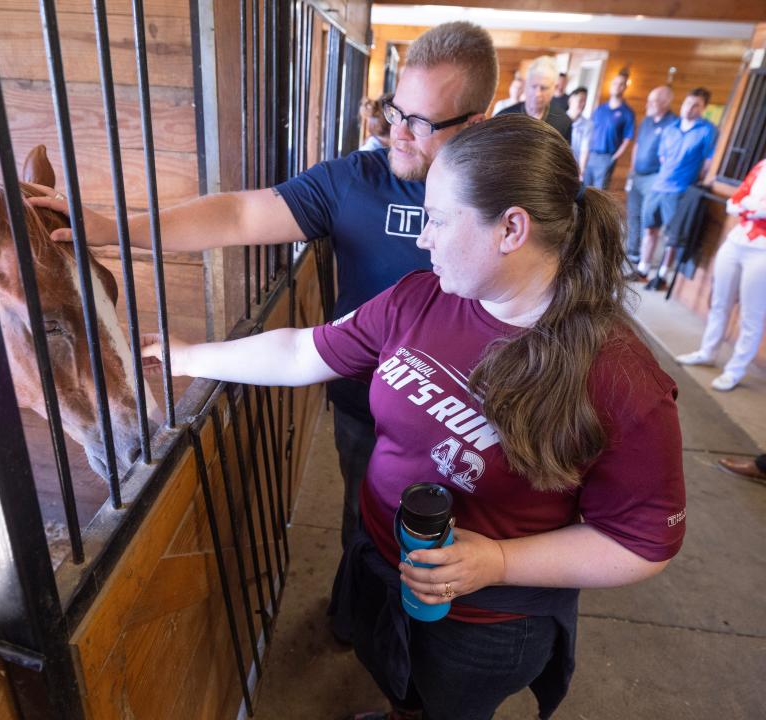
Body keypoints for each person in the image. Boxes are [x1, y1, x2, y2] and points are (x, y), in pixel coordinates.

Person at [141, 115, 685, 720]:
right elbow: (304, 350)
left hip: (489, 616)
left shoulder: (622, 380)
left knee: (448, 706)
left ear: (511, 228)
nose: (422, 239)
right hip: (383, 555)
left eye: (437, 219)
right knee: (397, 682)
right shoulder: (421, 296)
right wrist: (189, 356)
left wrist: (499, 562)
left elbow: (641, 542)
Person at [30, 21, 500, 550]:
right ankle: (355, 613)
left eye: (420, 121)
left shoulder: (512, 202)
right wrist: (121, 229)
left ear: (475, 125)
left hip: (479, 421)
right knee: (365, 523)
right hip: (365, 404)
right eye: (395, 110)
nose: (398, 131)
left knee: (474, 539)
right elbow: (236, 215)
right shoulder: (355, 182)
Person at [674, 159, 766, 391]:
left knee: (751, 315)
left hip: (762, 249)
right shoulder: (761, 165)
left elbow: (748, 206)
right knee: (719, 302)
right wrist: (752, 206)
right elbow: (734, 202)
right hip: (737, 239)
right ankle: (708, 351)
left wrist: (750, 206)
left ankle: (735, 370)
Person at [639, 88, 718, 290]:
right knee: (649, 228)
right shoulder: (670, 127)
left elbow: (708, 163)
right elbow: (662, 156)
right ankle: (643, 269)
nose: (689, 108)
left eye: (696, 105)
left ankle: (662, 275)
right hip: (659, 186)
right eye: (687, 103)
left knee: (671, 237)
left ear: (704, 108)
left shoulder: (707, 130)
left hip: (680, 190)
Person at [625, 85, 677, 272]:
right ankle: (632, 252)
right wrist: (631, 171)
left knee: (648, 219)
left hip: (654, 177)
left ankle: (643, 259)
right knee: (633, 214)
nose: (648, 104)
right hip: (637, 174)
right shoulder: (647, 120)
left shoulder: (672, 124)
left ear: (665, 102)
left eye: (653, 101)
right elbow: (637, 146)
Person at [496, 56, 571, 143]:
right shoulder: (504, 118)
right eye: (533, 86)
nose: (537, 93)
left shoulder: (563, 122)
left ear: (553, 89)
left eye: (543, 88)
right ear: (526, 85)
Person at [581, 71, 635, 189]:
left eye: (621, 84)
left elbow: (627, 139)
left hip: (607, 157)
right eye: (615, 83)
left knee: (598, 195)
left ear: (624, 87)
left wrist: (614, 157)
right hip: (590, 155)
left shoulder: (627, 113)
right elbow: (589, 131)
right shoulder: (600, 109)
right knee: (583, 191)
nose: (617, 86)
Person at [566, 86, 591, 168]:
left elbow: (585, 150)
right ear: (571, 100)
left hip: (573, 167)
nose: (583, 104)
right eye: (580, 100)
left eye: (585, 101)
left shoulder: (588, 125)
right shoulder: (559, 118)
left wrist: (581, 170)